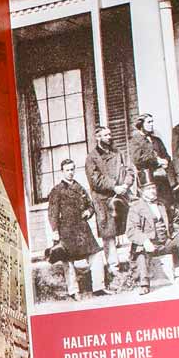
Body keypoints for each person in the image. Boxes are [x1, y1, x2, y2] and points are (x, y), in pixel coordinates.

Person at [46, 160, 104, 299]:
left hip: (83, 228)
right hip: (66, 230)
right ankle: (74, 291)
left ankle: (99, 287)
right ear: (62, 172)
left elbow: (90, 206)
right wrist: (55, 231)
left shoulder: (80, 188)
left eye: (72, 169)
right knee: (69, 262)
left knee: (96, 255)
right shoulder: (57, 190)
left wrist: (88, 213)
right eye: (67, 170)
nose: (70, 172)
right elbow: (52, 213)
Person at [86, 125, 132, 278]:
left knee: (131, 226)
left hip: (122, 196)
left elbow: (129, 170)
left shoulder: (118, 153)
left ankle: (134, 261)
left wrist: (126, 184)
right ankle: (114, 269)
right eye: (106, 135)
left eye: (110, 134)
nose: (109, 137)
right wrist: (114, 186)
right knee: (109, 234)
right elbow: (95, 180)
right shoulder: (92, 157)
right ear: (98, 138)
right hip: (104, 200)